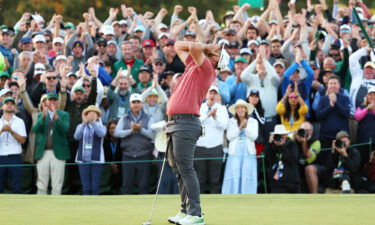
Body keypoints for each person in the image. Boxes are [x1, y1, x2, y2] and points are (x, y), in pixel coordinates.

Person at [166, 40, 227, 225]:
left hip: (186, 122)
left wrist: (207, 48)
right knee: (178, 169)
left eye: (218, 50)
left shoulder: (207, 67)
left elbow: (193, 47)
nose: (214, 46)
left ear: (217, 59)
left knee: (185, 167)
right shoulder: (194, 63)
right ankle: (185, 210)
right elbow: (178, 45)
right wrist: (208, 48)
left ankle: (196, 214)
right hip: (175, 123)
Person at [114, 93, 155, 194]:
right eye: (134, 102)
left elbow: (153, 135)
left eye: (138, 102)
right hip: (128, 155)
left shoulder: (149, 117)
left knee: (144, 185)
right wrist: (130, 131)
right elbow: (117, 133)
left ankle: (144, 208)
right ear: (130, 104)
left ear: (142, 104)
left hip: (144, 155)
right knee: (127, 185)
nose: (136, 104)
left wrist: (141, 130)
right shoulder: (124, 118)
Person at [32, 93, 70, 195]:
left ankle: (55, 207)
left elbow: (65, 129)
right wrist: (43, 117)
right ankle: (40, 206)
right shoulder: (41, 115)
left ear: (58, 102)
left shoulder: (64, 114)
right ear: (46, 102)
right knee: (41, 182)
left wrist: (56, 115)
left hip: (58, 152)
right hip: (43, 152)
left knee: (57, 183)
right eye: (50, 100)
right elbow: (35, 129)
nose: (52, 102)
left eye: (54, 100)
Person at [195, 86, 229, 194]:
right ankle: (198, 204)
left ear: (217, 96)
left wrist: (215, 117)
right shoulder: (199, 107)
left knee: (215, 180)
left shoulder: (222, 109)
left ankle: (215, 204)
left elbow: (224, 126)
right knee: (200, 179)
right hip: (200, 148)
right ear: (206, 95)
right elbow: (195, 123)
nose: (212, 95)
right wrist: (207, 115)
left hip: (216, 148)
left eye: (215, 93)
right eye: (210, 93)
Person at [222, 99, 258, 194]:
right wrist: (240, 128)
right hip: (235, 152)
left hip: (248, 152)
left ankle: (248, 195)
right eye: (237, 108)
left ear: (246, 109)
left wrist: (245, 128)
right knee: (234, 173)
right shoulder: (231, 121)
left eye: (242, 107)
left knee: (247, 173)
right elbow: (229, 137)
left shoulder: (253, 121)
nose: (240, 109)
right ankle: (232, 194)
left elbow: (254, 136)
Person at [74, 105, 106, 195]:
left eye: (94, 113)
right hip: (83, 160)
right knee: (86, 186)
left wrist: (94, 123)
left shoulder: (102, 126)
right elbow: (76, 136)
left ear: (98, 116)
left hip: (97, 161)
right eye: (89, 113)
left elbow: (101, 134)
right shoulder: (80, 126)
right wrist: (84, 124)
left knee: (95, 187)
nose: (91, 115)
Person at [0, 97, 27, 193]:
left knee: (17, 186)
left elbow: (23, 140)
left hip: (15, 157)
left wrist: (11, 131)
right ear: (2, 107)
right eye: (6, 103)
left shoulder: (20, 121)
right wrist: (2, 130)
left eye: (11, 103)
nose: (9, 105)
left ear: (14, 107)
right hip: (1, 157)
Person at [264, 124, 300, 193]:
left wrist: (282, 146)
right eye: (278, 135)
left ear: (286, 135)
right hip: (277, 183)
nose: (280, 137)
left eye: (282, 134)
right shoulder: (271, 146)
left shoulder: (292, 144)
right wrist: (269, 143)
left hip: (291, 182)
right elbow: (265, 160)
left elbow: (292, 161)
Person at [292, 121, 322, 193]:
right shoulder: (295, 138)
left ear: (311, 131)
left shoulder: (316, 142)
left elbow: (309, 159)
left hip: (315, 168)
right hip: (299, 168)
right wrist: (293, 137)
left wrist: (304, 143)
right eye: (303, 130)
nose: (305, 132)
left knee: (309, 169)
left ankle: (314, 195)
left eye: (307, 130)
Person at [354, 87, 375, 164]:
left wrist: (372, 110)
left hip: (374, 141)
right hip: (362, 140)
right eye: (370, 94)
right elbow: (357, 117)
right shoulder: (362, 106)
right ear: (367, 96)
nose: (372, 97)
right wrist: (367, 109)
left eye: (374, 95)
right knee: (362, 162)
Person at [102, 119, 122, 194]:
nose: (113, 130)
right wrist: (110, 164)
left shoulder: (122, 141)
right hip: (108, 168)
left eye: (115, 128)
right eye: (111, 128)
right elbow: (103, 157)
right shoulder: (105, 142)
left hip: (120, 168)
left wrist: (116, 166)